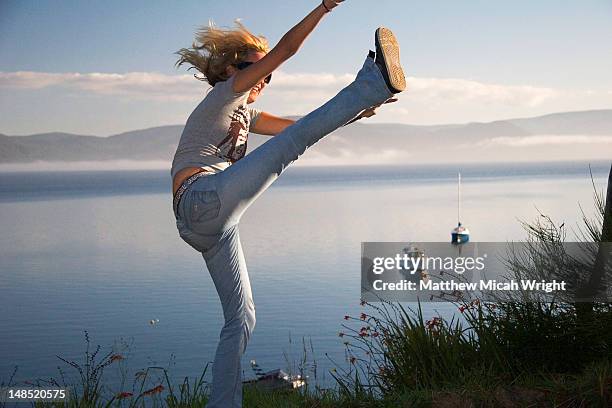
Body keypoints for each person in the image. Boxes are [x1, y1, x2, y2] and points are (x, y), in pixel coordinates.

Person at [171, 1, 405, 406]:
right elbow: (286, 51)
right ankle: (372, 81)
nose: (266, 76)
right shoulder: (224, 96)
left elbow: (301, 127)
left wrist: (360, 112)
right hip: (201, 199)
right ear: (232, 71)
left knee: (242, 318)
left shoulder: (248, 114)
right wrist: (324, 8)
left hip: (210, 226)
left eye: (270, 74)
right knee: (289, 148)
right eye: (257, 69)